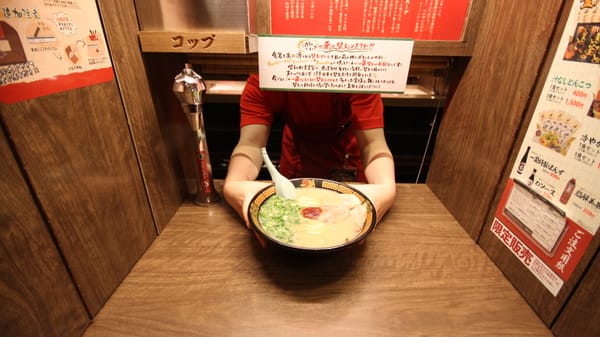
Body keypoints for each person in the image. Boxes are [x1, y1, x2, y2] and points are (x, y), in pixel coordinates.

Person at [223, 73, 397, 232]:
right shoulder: (268, 75)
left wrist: (385, 188)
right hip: (297, 157)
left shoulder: (358, 75)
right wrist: (235, 183)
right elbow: (251, 146)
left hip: (346, 157)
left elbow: (373, 145)